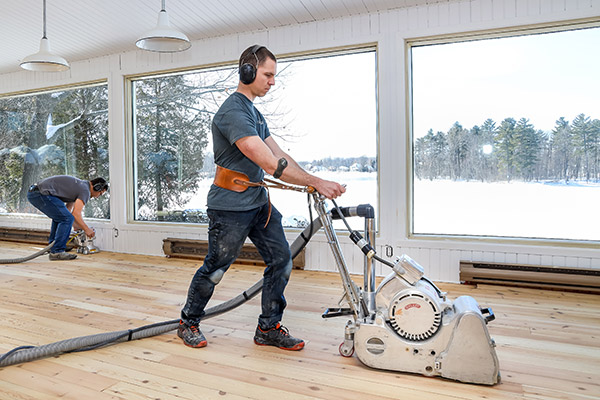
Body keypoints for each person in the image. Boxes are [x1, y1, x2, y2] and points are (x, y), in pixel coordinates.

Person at [178, 45, 346, 351]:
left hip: (258, 203)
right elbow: (270, 164)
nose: (272, 82)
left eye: (273, 76)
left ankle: (268, 328)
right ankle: (188, 321)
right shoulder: (232, 112)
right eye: (268, 75)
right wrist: (316, 182)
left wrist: (312, 181)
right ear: (248, 71)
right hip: (229, 206)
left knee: (281, 259)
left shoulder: (254, 114)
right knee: (216, 267)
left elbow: (279, 155)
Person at [27, 175, 108, 261]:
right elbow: (76, 214)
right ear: (97, 188)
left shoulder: (81, 187)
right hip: (40, 193)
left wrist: (75, 226)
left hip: (36, 192)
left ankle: (54, 247)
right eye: (100, 193)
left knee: (61, 217)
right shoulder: (85, 191)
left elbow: (67, 211)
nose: (98, 196)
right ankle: (57, 251)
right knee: (65, 218)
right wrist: (86, 229)